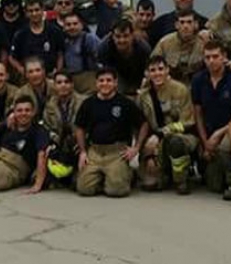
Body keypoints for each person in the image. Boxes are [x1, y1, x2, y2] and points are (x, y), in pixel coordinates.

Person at [191, 41, 231, 201]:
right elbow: (198, 113)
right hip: (209, 134)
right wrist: (205, 143)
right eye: (207, 57)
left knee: (226, 145)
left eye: (215, 56)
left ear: (224, 57)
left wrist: (219, 134)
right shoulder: (198, 80)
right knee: (214, 186)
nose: (211, 61)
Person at [73, 67, 144, 198]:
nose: (105, 83)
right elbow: (79, 127)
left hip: (117, 152)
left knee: (117, 191)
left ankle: (129, 174)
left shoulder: (125, 103)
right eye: (101, 80)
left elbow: (143, 124)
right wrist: (83, 152)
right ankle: (105, 177)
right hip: (95, 151)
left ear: (115, 83)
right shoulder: (88, 103)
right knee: (84, 189)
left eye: (109, 80)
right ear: (96, 83)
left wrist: (136, 148)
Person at [136, 55, 197, 194]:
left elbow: (187, 122)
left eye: (160, 69)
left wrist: (161, 133)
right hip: (153, 142)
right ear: (147, 73)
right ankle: (162, 172)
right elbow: (140, 125)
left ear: (167, 70)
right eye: (152, 70)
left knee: (175, 142)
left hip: (182, 137)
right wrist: (146, 153)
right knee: (150, 185)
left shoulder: (181, 90)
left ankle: (181, 180)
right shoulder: (143, 96)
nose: (157, 73)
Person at [42, 70, 86, 189]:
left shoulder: (83, 102)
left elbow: (91, 127)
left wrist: (83, 143)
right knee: (41, 180)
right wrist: (52, 143)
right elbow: (46, 127)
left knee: (78, 185)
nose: (63, 85)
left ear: (72, 84)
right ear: (54, 85)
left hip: (80, 146)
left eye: (67, 82)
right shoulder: (49, 105)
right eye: (59, 82)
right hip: (59, 146)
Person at [10, 0, 65, 78]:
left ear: (43, 10)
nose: (34, 13)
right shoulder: (20, 34)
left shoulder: (54, 31)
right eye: (30, 11)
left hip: (50, 76)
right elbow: (12, 57)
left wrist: (58, 72)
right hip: (29, 78)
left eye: (37, 10)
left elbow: (60, 54)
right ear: (26, 13)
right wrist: (22, 70)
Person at [98, 19, 151, 97]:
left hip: (138, 73)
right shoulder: (104, 47)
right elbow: (105, 70)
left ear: (132, 35)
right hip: (116, 73)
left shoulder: (143, 48)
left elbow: (148, 70)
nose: (122, 40)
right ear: (112, 36)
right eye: (118, 36)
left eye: (126, 36)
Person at [152, 11, 205, 85]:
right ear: (176, 25)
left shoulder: (203, 43)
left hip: (197, 87)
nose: (185, 26)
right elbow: (152, 66)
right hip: (170, 86)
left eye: (189, 22)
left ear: (196, 24)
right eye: (182, 22)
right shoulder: (165, 43)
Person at [60, 12, 100, 94]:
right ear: (64, 27)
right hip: (70, 80)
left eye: (75, 24)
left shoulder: (89, 39)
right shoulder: (63, 41)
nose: (72, 27)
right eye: (68, 24)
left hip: (88, 78)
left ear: (81, 25)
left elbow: (101, 58)